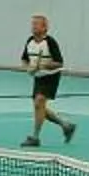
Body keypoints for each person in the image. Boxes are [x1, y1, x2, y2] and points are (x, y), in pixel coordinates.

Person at [20, 12, 77, 147]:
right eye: (32, 24)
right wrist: (28, 68)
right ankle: (66, 125)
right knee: (39, 107)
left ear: (45, 28)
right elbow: (24, 60)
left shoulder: (50, 42)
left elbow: (59, 63)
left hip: (51, 76)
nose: (33, 27)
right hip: (38, 77)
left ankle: (35, 137)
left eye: (36, 24)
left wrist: (44, 65)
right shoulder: (30, 41)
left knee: (39, 102)